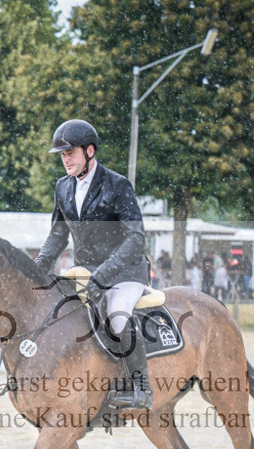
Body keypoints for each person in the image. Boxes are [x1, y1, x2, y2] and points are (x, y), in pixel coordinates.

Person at [33, 119, 152, 410]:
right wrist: (36, 267)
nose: (65, 160)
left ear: (89, 151)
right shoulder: (62, 187)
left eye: (70, 153)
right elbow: (58, 235)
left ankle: (140, 388)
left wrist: (104, 273)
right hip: (85, 272)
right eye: (62, 154)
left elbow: (136, 238)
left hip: (124, 272)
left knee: (116, 316)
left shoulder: (117, 185)